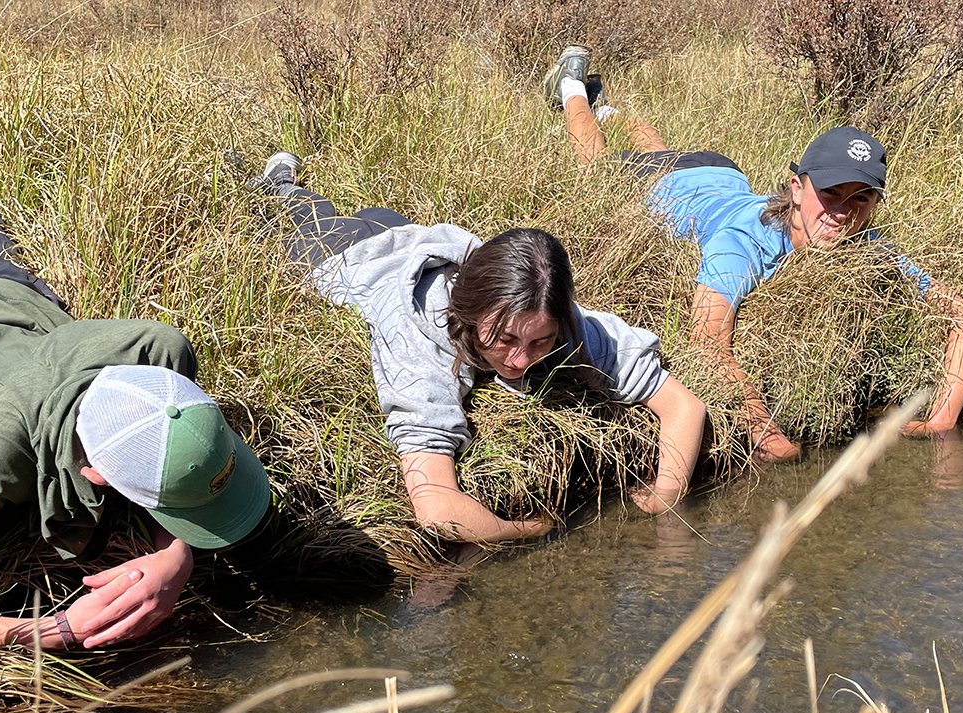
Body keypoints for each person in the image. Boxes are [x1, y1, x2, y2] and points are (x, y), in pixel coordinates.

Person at [0, 169, 271, 650]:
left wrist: (176, 553)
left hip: (12, 303)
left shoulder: (161, 350)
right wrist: (56, 631)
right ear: (97, 474)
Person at [542, 45, 963, 462]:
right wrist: (764, 428)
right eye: (831, 192)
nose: (842, 212)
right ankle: (574, 89)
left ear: (875, 205)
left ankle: (608, 107)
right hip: (662, 185)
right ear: (797, 189)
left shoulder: (869, 248)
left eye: (860, 198)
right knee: (595, 161)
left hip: (720, 170)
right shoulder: (743, 241)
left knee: (660, 147)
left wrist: (941, 420)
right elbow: (706, 338)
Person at [253, 152, 707, 544]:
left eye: (539, 342)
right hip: (336, 254)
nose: (519, 360)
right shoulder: (417, 335)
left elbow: (684, 407)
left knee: (355, 212)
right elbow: (434, 506)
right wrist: (528, 530)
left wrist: (665, 495)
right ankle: (278, 183)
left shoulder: (558, 315)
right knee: (292, 210)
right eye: (503, 339)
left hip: (402, 229)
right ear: (467, 314)